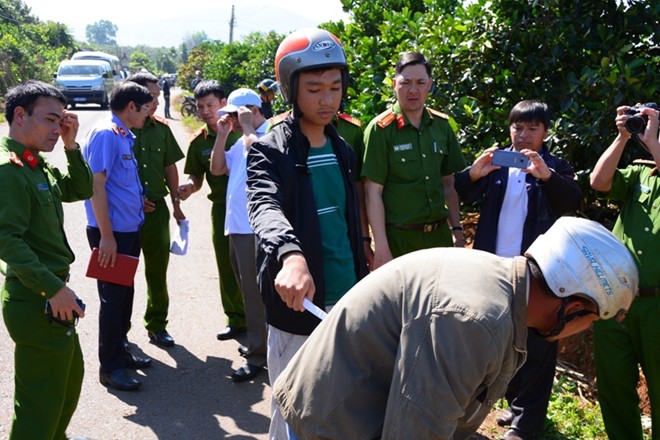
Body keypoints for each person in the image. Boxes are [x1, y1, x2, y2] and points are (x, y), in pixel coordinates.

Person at [273, 217, 639, 440]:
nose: (584, 330)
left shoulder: (501, 286)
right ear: (572, 307)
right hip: (332, 423)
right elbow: (416, 432)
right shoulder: (476, 321)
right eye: (591, 322)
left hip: (354, 406)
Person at [246, 28, 369, 440]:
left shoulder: (343, 147)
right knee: (292, 410)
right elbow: (265, 207)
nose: (327, 98)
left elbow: (348, 222)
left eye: (335, 87)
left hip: (347, 298)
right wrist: (291, 256)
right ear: (290, 90)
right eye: (315, 88)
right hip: (299, 306)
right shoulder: (269, 149)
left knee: (343, 405)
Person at [454, 99, 582, 440]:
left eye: (532, 128)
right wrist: (474, 172)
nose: (523, 135)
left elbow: (572, 201)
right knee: (500, 339)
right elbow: (460, 191)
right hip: (493, 269)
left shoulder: (555, 167)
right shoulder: (498, 165)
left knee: (538, 344)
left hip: (537, 274)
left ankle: (527, 424)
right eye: (517, 127)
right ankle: (512, 404)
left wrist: (546, 177)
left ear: (545, 132)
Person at [0, 80, 92, 439]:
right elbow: (6, 239)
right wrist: (53, 289)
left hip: (52, 296)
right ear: (19, 115)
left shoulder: (34, 164)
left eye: (62, 121)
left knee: (65, 386)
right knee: (39, 404)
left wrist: (71, 147)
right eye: (51, 120)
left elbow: (80, 189)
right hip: (37, 296)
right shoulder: (9, 171)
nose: (58, 129)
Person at [590, 104, 660, 440]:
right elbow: (598, 182)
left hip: (657, 307)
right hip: (619, 300)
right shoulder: (639, 174)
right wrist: (622, 138)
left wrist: (653, 140)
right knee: (615, 386)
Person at [362, 52, 467, 270]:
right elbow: (373, 192)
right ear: (394, 84)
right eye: (405, 82)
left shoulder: (442, 126)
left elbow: (449, 184)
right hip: (400, 239)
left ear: (429, 84)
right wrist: (381, 246)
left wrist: (456, 229)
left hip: (439, 238)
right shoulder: (380, 130)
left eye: (420, 82)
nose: (413, 90)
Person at [82, 81, 154, 391]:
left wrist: (139, 202)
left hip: (127, 230)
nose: (147, 115)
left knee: (124, 295)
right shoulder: (106, 134)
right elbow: (96, 186)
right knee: (112, 300)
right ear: (130, 107)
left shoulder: (123, 134)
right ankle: (109, 367)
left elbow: (117, 185)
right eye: (145, 109)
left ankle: (120, 351)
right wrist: (107, 237)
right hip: (111, 233)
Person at [177, 80, 245, 340]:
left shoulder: (242, 129)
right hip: (222, 209)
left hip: (253, 206)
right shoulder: (198, 143)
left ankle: (261, 316)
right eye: (200, 106)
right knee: (227, 264)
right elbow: (196, 177)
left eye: (210, 105)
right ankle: (236, 318)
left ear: (224, 104)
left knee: (255, 262)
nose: (205, 111)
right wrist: (188, 187)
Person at [209, 88, 269, 382]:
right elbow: (217, 168)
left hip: (254, 228)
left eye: (236, 114)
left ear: (253, 111)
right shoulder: (239, 139)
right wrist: (222, 135)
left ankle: (259, 354)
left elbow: (259, 154)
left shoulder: (268, 134)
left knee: (256, 294)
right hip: (237, 226)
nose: (230, 119)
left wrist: (246, 127)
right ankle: (260, 344)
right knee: (248, 291)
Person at [126, 72, 185, 348]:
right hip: (125, 214)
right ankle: (120, 331)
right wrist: (132, 200)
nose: (156, 101)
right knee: (122, 274)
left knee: (158, 271)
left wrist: (175, 202)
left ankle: (157, 324)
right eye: (151, 97)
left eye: (158, 96)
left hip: (157, 212)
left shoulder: (161, 128)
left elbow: (169, 166)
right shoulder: (118, 129)